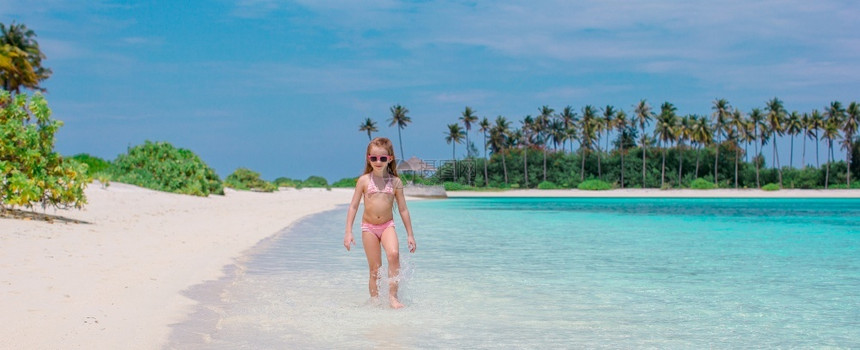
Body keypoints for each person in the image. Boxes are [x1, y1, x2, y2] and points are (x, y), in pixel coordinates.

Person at [344, 137, 416, 309]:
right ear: (368, 158)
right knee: (375, 269)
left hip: (387, 226)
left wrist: (410, 235)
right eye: (374, 158)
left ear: (390, 159)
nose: (378, 161)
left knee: (393, 254)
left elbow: (403, 209)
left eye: (382, 158)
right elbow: (353, 206)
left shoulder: (395, 182)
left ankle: (393, 296)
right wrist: (348, 232)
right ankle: (375, 301)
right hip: (368, 228)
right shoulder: (363, 181)